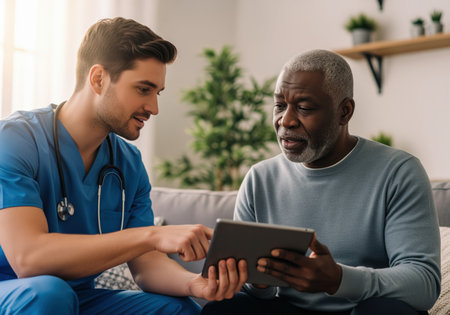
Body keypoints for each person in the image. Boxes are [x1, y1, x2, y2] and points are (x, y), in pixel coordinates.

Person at [0, 17, 247, 314]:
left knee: (179, 309)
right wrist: (152, 236)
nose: (154, 108)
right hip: (15, 289)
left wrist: (195, 283)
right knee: (50, 294)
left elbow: (146, 264)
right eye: (144, 89)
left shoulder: (128, 164)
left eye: (157, 92)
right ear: (99, 79)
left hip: (77, 297)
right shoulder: (16, 139)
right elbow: (29, 259)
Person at [201, 49, 441, 315]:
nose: (286, 120)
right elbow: (257, 293)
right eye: (279, 105)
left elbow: (424, 283)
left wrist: (339, 279)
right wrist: (257, 281)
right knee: (225, 309)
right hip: (290, 309)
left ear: (344, 112)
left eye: (304, 108)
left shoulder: (399, 172)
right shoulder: (259, 179)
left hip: (363, 309)